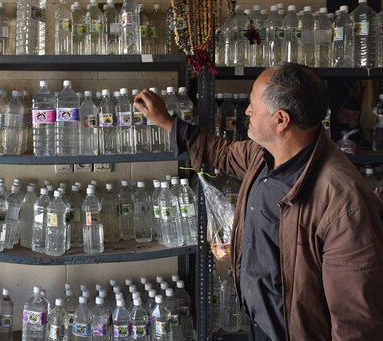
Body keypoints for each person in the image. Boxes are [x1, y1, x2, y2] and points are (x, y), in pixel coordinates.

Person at [134, 63, 383, 341]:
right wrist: (168, 122)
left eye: (253, 105)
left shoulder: (344, 204)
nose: (247, 111)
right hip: (260, 323)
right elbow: (223, 152)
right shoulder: (265, 155)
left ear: (281, 120)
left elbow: (355, 322)